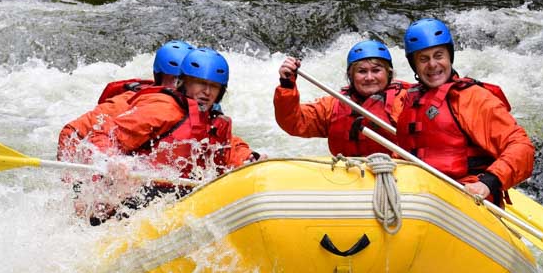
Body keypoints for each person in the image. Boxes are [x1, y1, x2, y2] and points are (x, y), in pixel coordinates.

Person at [397, 18, 534, 205]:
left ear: (449, 57)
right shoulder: (410, 98)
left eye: (438, 55)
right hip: (421, 194)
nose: (432, 64)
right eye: (423, 59)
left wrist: (488, 182)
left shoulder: (472, 98)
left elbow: (521, 146)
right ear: (414, 64)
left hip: (466, 197)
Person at [83, 47, 259, 185]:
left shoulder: (215, 120)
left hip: (182, 191)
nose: (207, 91)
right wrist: (111, 159)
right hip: (143, 187)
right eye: (200, 83)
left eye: (213, 86)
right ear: (184, 83)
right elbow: (106, 134)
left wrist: (248, 158)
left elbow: (229, 150)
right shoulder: (162, 108)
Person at [56, 40, 192, 161]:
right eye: (174, 79)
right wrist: (111, 164)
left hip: (97, 137)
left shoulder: (165, 100)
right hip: (76, 139)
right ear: (159, 76)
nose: (179, 86)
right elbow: (107, 136)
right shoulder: (159, 108)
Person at [273, 39, 410, 156]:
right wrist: (287, 85)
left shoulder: (407, 100)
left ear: (388, 73)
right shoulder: (333, 105)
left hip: (394, 171)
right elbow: (294, 122)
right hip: (347, 172)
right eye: (362, 71)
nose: (369, 77)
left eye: (376, 70)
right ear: (351, 76)